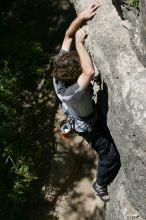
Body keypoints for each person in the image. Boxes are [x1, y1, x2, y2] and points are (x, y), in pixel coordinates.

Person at [52, 2, 121, 202]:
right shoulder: (70, 92)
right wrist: (80, 44)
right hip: (89, 125)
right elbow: (89, 72)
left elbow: (67, 35)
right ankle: (99, 184)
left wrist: (81, 17)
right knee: (110, 156)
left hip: (80, 112)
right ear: (73, 77)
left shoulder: (59, 71)